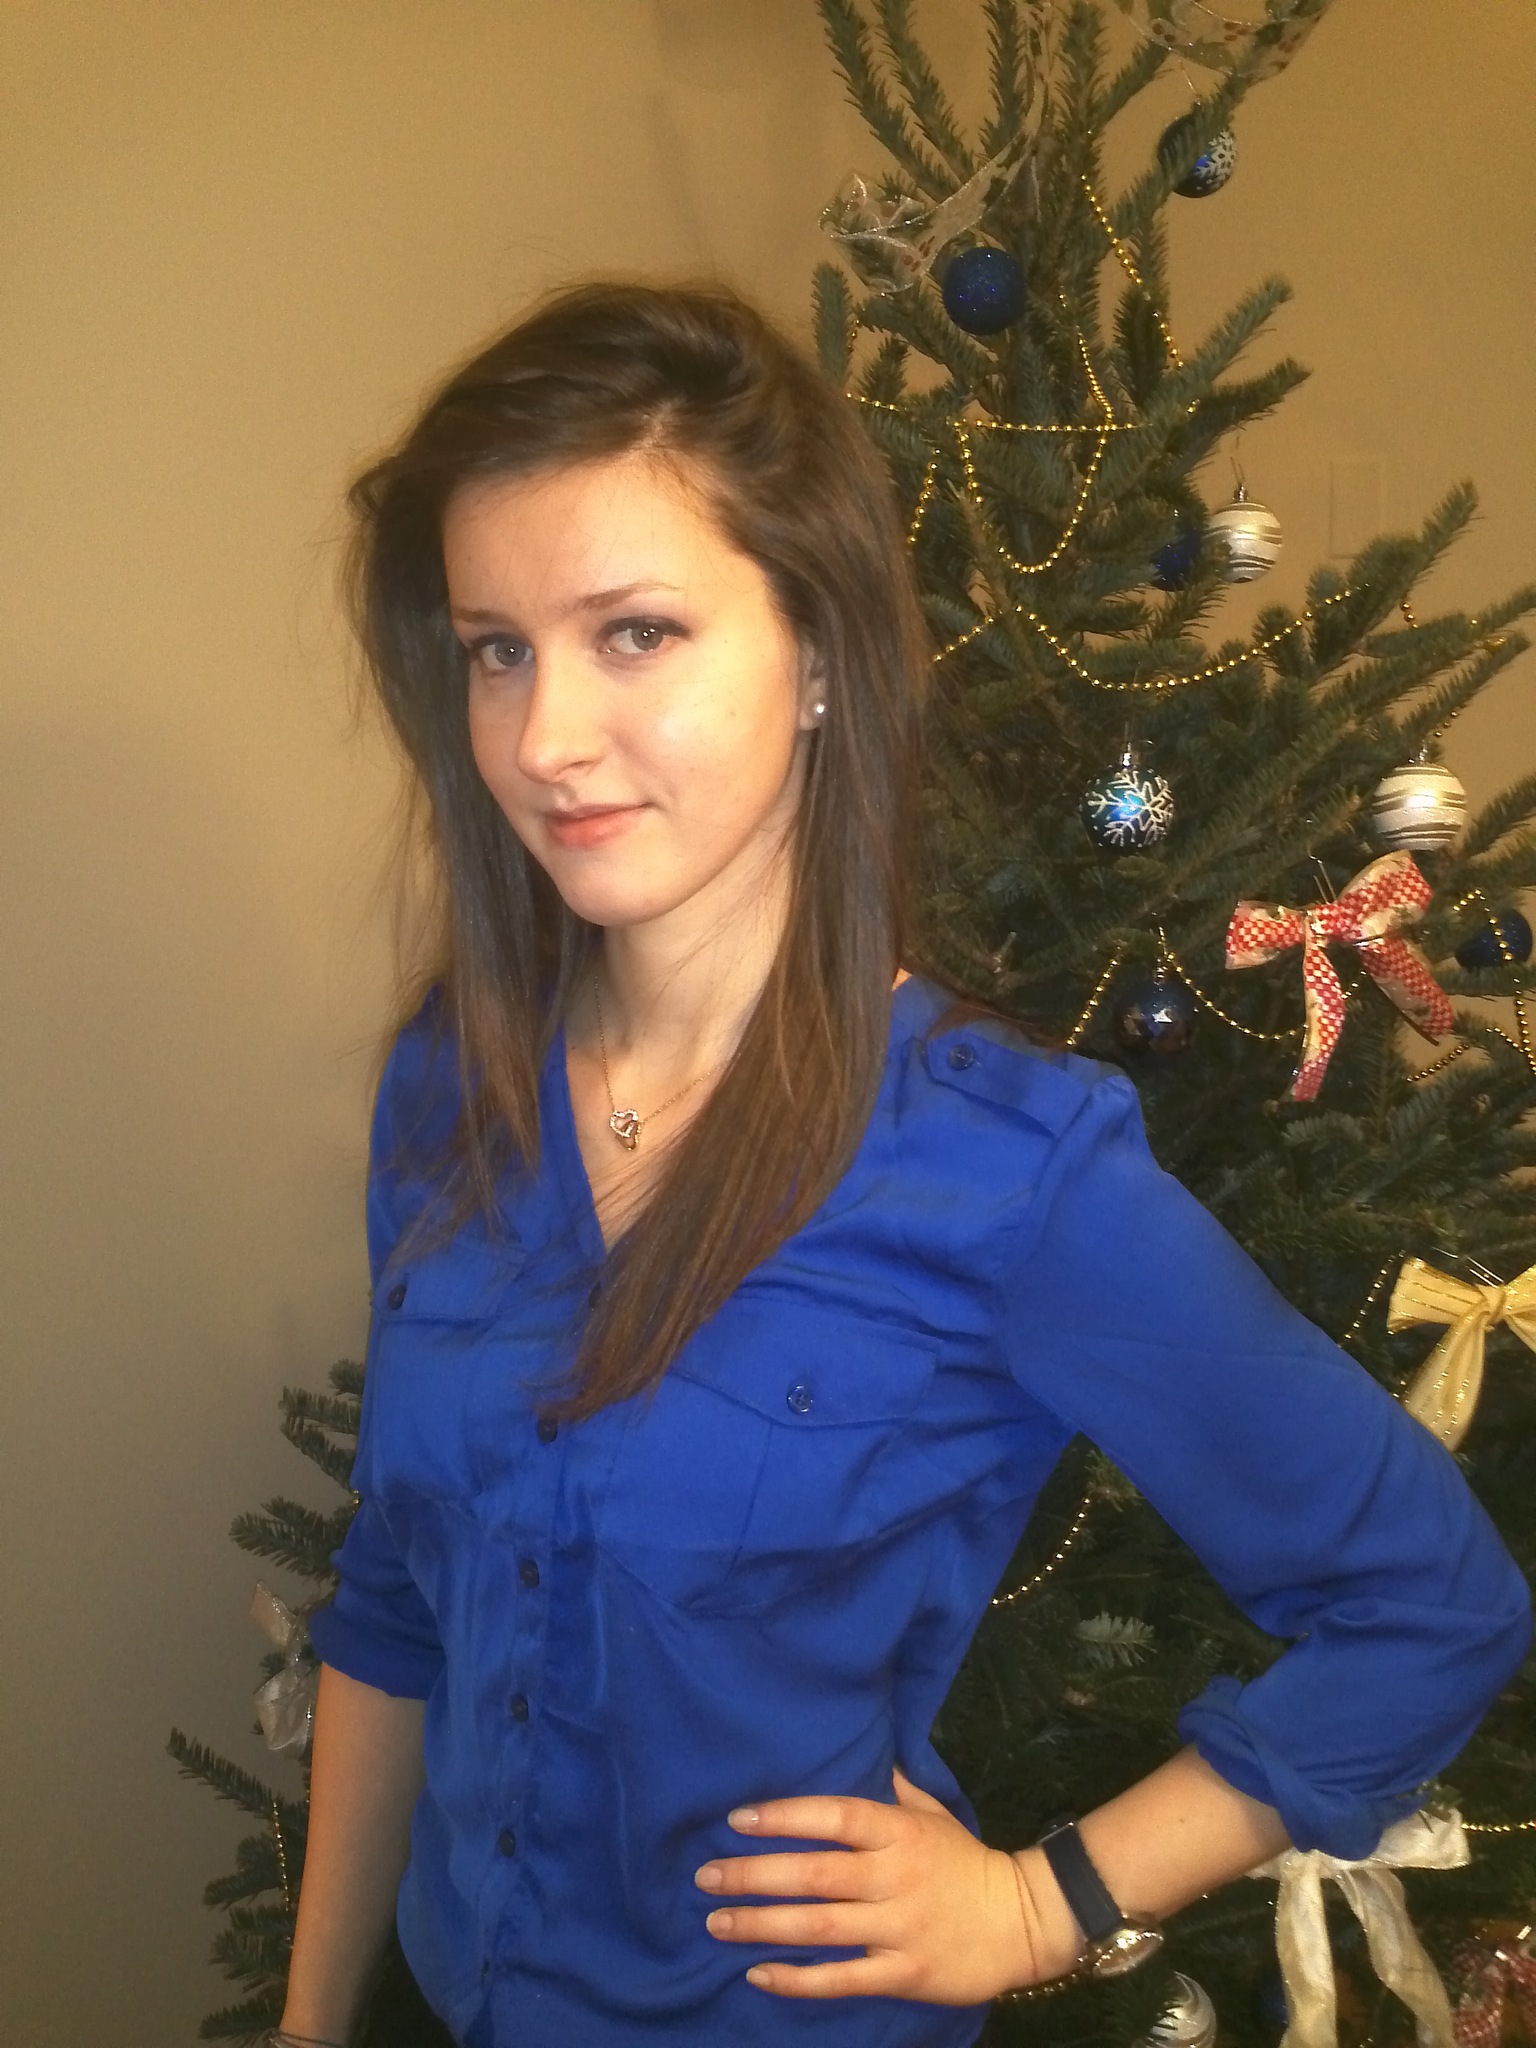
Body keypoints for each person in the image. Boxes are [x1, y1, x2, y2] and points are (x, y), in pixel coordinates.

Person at [280, 282, 1530, 2048]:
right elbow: (398, 1604)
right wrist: (311, 2021)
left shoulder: (1008, 1170)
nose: (542, 739)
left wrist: (1039, 1903)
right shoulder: (453, 1087)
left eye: (634, 632)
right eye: (497, 648)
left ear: (816, 657)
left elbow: (1430, 1606)